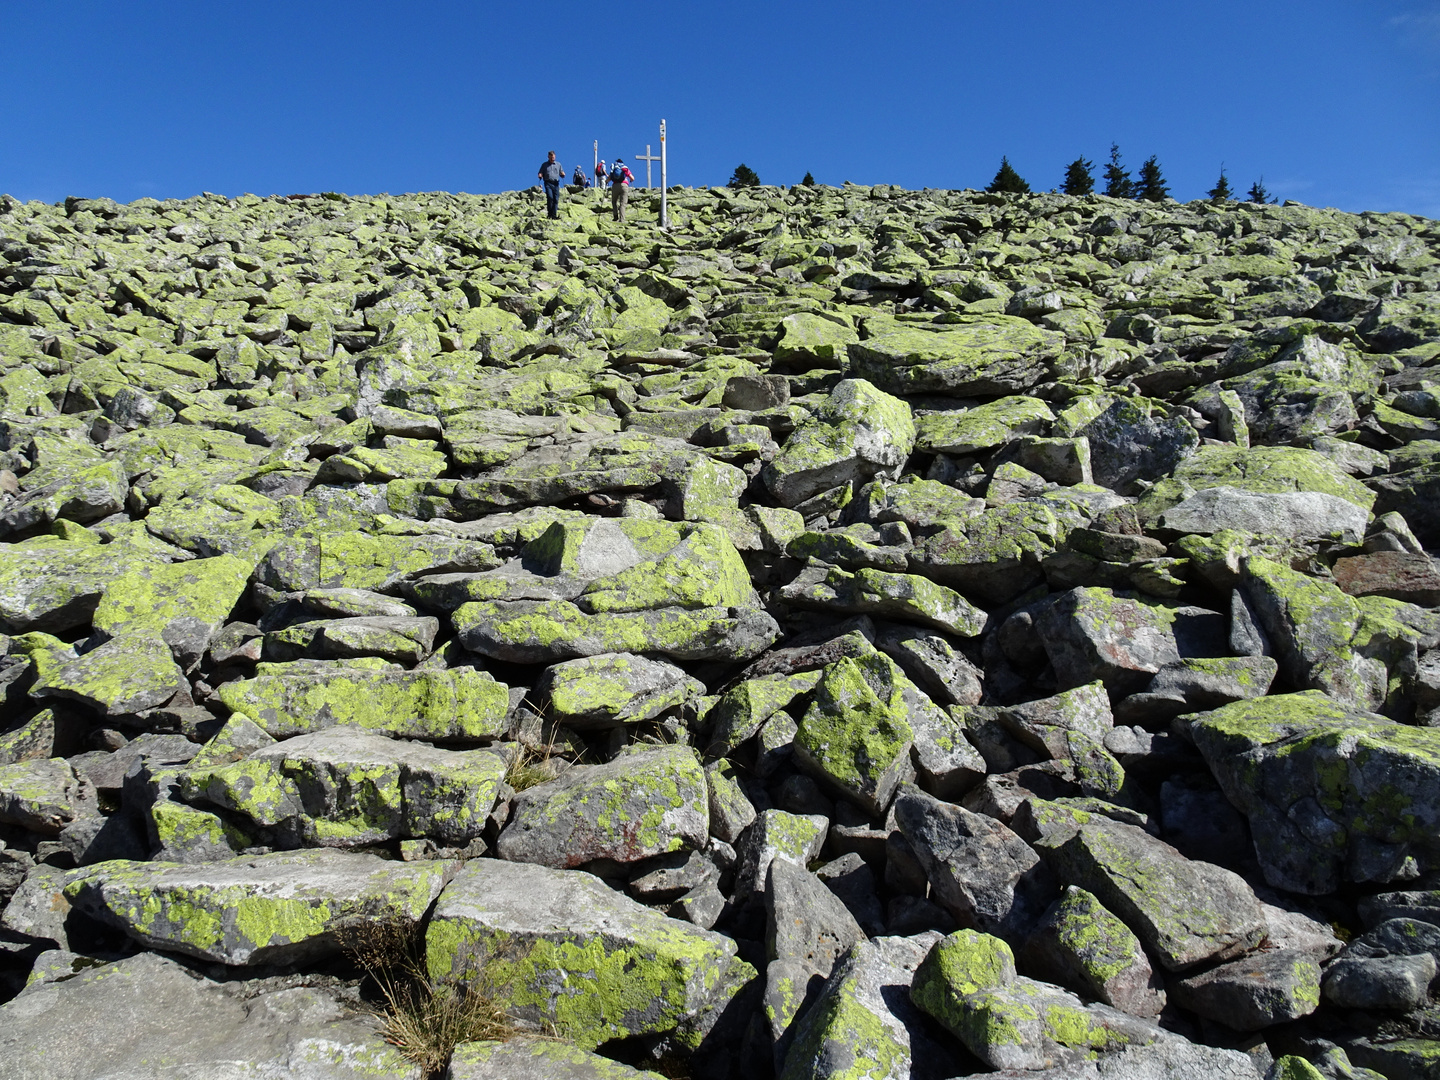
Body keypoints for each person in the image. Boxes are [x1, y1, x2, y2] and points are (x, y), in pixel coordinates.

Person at [537, 151, 565, 219]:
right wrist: (540, 175)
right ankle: (549, 214)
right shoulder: (544, 165)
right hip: (548, 183)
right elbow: (540, 172)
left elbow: (561, 172)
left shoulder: (558, 164)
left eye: (553, 156)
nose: (553, 158)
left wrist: (563, 174)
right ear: (548, 157)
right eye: (551, 156)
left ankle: (554, 215)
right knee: (550, 197)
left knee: (556, 199)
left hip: (556, 183)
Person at [609, 158, 635, 223]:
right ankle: (622, 219)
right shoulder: (624, 168)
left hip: (615, 186)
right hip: (624, 185)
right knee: (623, 203)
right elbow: (632, 178)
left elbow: (609, 178)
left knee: (614, 201)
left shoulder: (614, 168)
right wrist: (630, 180)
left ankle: (615, 217)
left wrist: (606, 181)